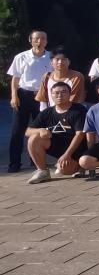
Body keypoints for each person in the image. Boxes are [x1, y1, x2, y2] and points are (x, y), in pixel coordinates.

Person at [7, 30, 53, 172]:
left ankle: (36, 161)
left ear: (46, 41)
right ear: (30, 40)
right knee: (18, 130)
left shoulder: (51, 57)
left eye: (43, 38)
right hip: (24, 95)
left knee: (40, 129)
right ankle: (14, 163)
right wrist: (14, 96)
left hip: (43, 96)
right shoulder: (21, 57)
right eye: (36, 38)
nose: (39, 41)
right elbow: (15, 78)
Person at [25, 82, 87, 184]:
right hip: (58, 145)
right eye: (56, 93)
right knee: (34, 138)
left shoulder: (79, 110)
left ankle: (80, 166)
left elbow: (80, 134)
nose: (60, 95)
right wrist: (40, 130)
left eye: (63, 92)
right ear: (51, 95)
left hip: (76, 148)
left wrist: (67, 154)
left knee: (64, 170)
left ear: (70, 94)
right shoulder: (47, 112)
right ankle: (42, 171)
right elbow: (28, 131)